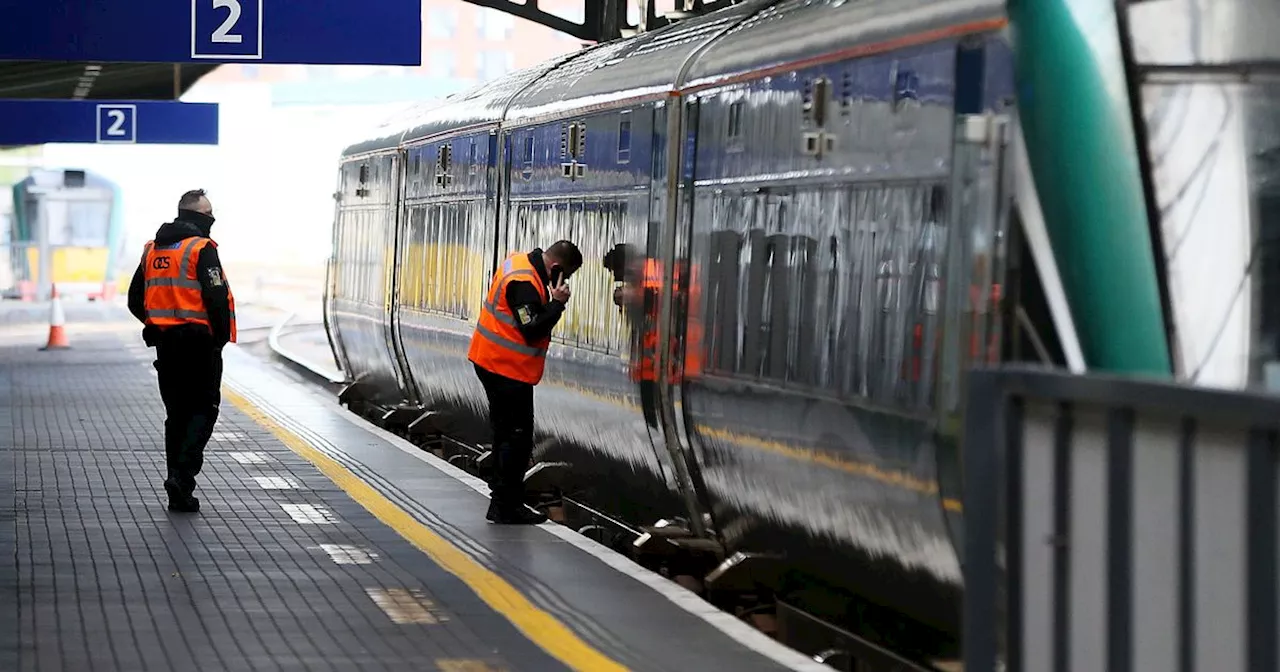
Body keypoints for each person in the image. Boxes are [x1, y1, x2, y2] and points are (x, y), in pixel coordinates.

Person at [127, 189, 237, 513]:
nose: (212, 219)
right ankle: (182, 477)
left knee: (176, 415)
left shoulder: (153, 249)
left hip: (166, 346)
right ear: (199, 217)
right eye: (209, 214)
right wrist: (217, 339)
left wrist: (157, 323)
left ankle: (177, 481)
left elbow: (135, 298)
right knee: (203, 411)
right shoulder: (201, 249)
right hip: (200, 346)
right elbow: (216, 298)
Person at [468, 240, 582, 524]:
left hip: (494, 362)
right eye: (564, 274)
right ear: (556, 267)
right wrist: (557, 304)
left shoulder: (518, 263)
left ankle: (502, 498)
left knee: (505, 433)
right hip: (505, 367)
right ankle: (505, 506)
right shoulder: (524, 282)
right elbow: (531, 328)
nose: (563, 281)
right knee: (516, 438)